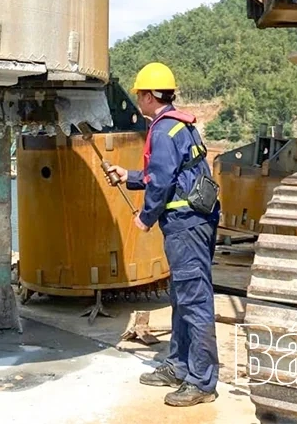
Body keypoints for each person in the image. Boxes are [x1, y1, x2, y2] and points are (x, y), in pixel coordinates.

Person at [104, 62, 221, 407]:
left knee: (194, 300)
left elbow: (164, 182)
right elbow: (164, 173)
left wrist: (145, 217)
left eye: (140, 93)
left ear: (149, 95)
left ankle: (201, 381)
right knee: (182, 295)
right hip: (194, 221)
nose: (138, 99)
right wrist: (128, 175)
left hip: (185, 225)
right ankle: (179, 365)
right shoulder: (177, 126)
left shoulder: (161, 131)